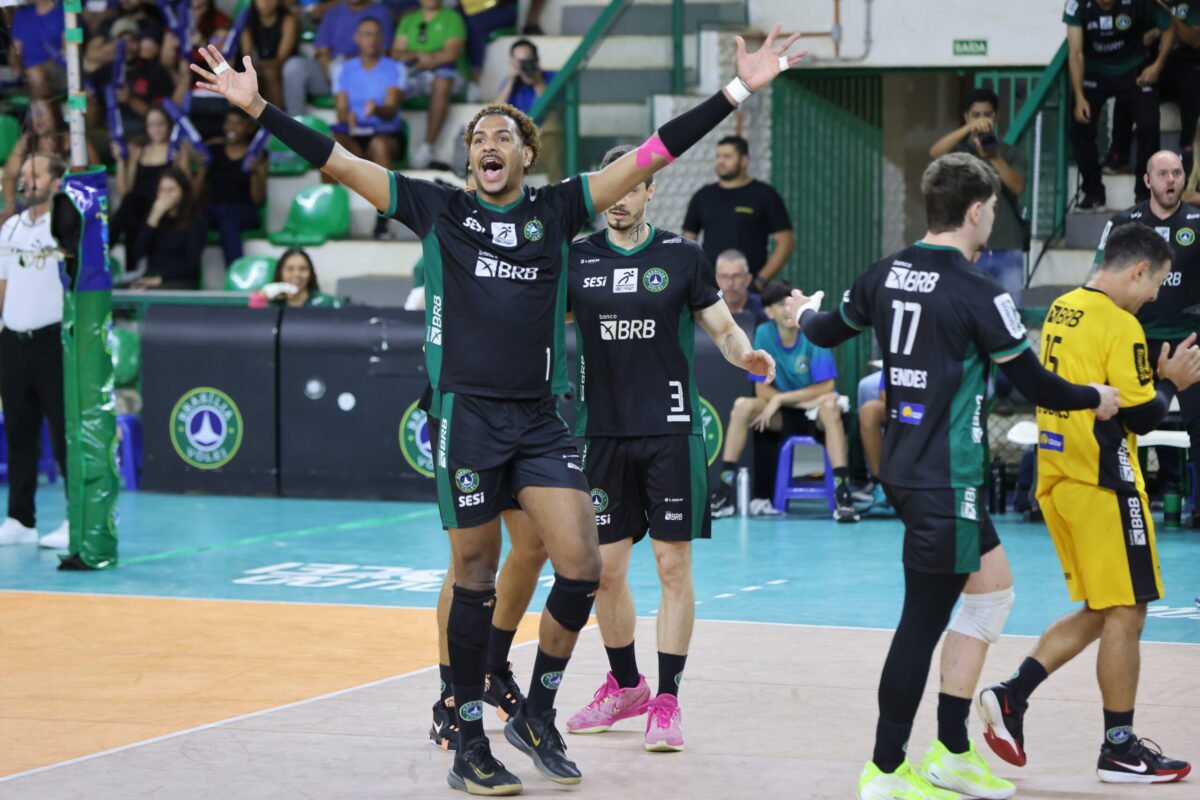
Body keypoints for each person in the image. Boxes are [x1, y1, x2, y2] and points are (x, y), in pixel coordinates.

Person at [192, 23, 805, 793]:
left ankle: (536, 710)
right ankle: (466, 735)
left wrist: (741, 87)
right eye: (478, 135)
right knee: (473, 568)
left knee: (580, 564)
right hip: (470, 416)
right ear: (470, 156)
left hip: (541, 419)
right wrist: (257, 108)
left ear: (525, 155)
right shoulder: (440, 211)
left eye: (502, 136)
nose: (487, 143)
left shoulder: (558, 211)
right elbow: (339, 161)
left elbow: (656, 151)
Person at [783, 152, 1121, 800]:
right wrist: (1093, 398)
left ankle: (953, 751)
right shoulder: (978, 291)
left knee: (992, 591)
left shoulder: (885, 272)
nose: (992, 217)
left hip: (910, 471)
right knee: (922, 621)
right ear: (974, 211)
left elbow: (827, 328)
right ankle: (884, 769)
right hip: (947, 477)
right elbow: (1033, 382)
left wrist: (800, 314)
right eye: (992, 208)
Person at [563, 144, 776, 752]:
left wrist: (745, 356)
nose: (621, 196)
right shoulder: (576, 258)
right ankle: (626, 685)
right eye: (611, 186)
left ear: (651, 189)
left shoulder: (683, 256)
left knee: (672, 566)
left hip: (670, 432)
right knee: (604, 572)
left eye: (632, 186)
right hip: (601, 432)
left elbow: (723, 328)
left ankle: (667, 701)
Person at [977, 222, 1198, 785]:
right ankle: (1119, 747)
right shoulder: (1120, 325)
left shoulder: (1062, 308)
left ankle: (1012, 695)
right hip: (1105, 483)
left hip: (1058, 477)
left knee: (1105, 608)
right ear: (1137, 270)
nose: (1154, 297)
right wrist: (1173, 381)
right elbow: (1142, 415)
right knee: (1129, 610)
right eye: (1155, 284)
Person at [1095, 150, 1200, 515]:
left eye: (1177, 173)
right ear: (1147, 181)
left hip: (1189, 342)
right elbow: (1100, 276)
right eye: (1163, 174)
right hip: (1135, 339)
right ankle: (1119, 498)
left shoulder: (1198, 220)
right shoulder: (1126, 223)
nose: (1170, 180)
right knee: (1125, 418)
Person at [708, 280, 859, 521]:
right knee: (742, 406)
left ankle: (842, 494)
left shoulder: (813, 330)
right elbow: (761, 389)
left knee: (830, 406)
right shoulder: (764, 333)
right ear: (769, 311)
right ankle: (724, 491)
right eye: (781, 305)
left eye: (791, 303)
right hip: (787, 413)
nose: (789, 309)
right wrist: (786, 402)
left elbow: (827, 387)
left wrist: (781, 399)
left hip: (815, 413)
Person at [0, 152, 69, 550]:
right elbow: (4, 285)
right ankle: (20, 518)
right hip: (14, 340)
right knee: (18, 433)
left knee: (62, 435)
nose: (27, 181)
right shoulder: (10, 227)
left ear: (55, 183)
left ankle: (74, 518)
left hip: (52, 341)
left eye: (35, 174)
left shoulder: (63, 226)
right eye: (24, 175)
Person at [1066, 0, 1174, 210]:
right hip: (1095, 72)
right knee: (1079, 125)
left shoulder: (1140, 3)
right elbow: (1075, 53)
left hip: (1135, 69)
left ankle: (1144, 195)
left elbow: (1169, 26)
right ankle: (1093, 192)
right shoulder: (1076, 4)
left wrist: (1157, 66)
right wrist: (1079, 96)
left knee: (1149, 123)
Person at [928, 87, 1029, 302]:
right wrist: (968, 129)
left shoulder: (1009, 151)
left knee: (1009, 312)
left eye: (987, 115)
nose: (982, 121)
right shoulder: (961, 153)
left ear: (996, 117)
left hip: (1006, 247)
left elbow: (1018, 186)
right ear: (966, 117)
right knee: (968, 311)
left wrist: (992, 156)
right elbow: (935, 153)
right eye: (976, 115)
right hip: (970, 249)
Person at [682, 136, 794, 287]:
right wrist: (697, 279)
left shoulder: (764, 194)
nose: (720, 161)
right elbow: (687, 243)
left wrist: (760, 281)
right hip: (711, 288)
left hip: (750, 291)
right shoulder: (702, 196)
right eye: (718, 156)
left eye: (727, 156)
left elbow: (786, 242)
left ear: (744, 160)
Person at [333, 17, 406, 238]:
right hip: (355, 135)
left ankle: (384, 218)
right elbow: (341, 110)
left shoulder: (396, 68)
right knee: (329, 144)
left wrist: (377, 110)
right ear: (357, 38)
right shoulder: (343, 70)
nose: (371, 39)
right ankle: (331, 208)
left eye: (375, 34)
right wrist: (349, 117)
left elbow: (392, 108)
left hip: (386, 134)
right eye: (366, 33)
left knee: (379, 145)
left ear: (382, 39)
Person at [183, 109, 267, 267]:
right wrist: (202, 167)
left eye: (238, 123)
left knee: (228, 221)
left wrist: (255, 172)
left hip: (244, 212)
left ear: (248, 128)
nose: (232, 127)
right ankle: (188, 274)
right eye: (228, 122)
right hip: (215, 211)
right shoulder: (213, 152)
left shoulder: (256, 156)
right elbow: (194, 196)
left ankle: (236, 273)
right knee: (192, 221)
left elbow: (258, 200)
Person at [391, 0, 467, 169]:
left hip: (449, 74)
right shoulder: (409, 19)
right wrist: (424, 57)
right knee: (389, 82)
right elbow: (396, 52)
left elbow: (450, 54)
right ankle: (390, 142)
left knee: (442, 80)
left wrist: (415, 58)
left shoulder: (452, 18)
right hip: (415, 74)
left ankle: (427, 147)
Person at [285, 0, 394, 118]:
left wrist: (346, 73)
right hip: (330, 71)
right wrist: (335, 77)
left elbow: (382, 53)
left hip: (363, 76)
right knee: (294, 66)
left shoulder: (381, 13)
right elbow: (322, 51)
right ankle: (294, 124)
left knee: (343, 66)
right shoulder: (333, 12)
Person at [2, 100, 100, 227]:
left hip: (67, 203)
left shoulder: (75, 140)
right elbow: (9, 175)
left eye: (42, 113)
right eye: (34, 114)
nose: (38, 118)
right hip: (33, 204)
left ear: (55, 114)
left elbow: (96, 175)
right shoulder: (26, 142)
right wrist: (10, 202)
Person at [130, 166, 207, 289]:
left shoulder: (194, 222)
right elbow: (137, 253)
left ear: (183, 191)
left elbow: (191, 265)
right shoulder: (153, 218)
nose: (165, 195)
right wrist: (153, 219)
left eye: (171, 190)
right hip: (150, 277)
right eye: (161, 190)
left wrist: (161, 279)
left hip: (180, 280)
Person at [109, 105, 174, 250]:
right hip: (137, 207)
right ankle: (106, 252)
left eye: (160, 124)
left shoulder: (175, 151)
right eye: (151, 125)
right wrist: (120, 163)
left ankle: (104, 251)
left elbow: (184, 187)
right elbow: (125, 192)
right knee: (130, 206)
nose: (156, 129)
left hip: (162, 206)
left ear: (169, 125)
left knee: (133, 211)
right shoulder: (138, 151)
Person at [240, 0, 301, 112]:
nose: (265, 3)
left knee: (270, 72)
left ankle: (280, 115)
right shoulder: (247, 21)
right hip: (257, 65)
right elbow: (246, 54)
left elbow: (282, 57)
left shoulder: (288, 20)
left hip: (283, 65)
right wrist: (256, 66)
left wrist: (262, 66)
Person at [10, 0, 66, 100]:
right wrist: (17, 67)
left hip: (57, 69)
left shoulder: (62, 12)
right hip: (29, 73)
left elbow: (65, 49)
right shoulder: (21, 15)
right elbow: (15, 49)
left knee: (36, 75)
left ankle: (45, 111)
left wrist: (42, 68)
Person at [257, 247, 345, 307]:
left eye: (303, 269)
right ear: (280, 272)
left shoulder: (326, 304)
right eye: (290, 269)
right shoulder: (271, 305)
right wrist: (259, 299)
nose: (297, 274)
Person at [714, 249, 766, 324]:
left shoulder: (764, 310)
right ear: (716, 279)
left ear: (748, 279)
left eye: (736, 276)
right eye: (724, 276)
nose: (730, 283)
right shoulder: (706, 309)